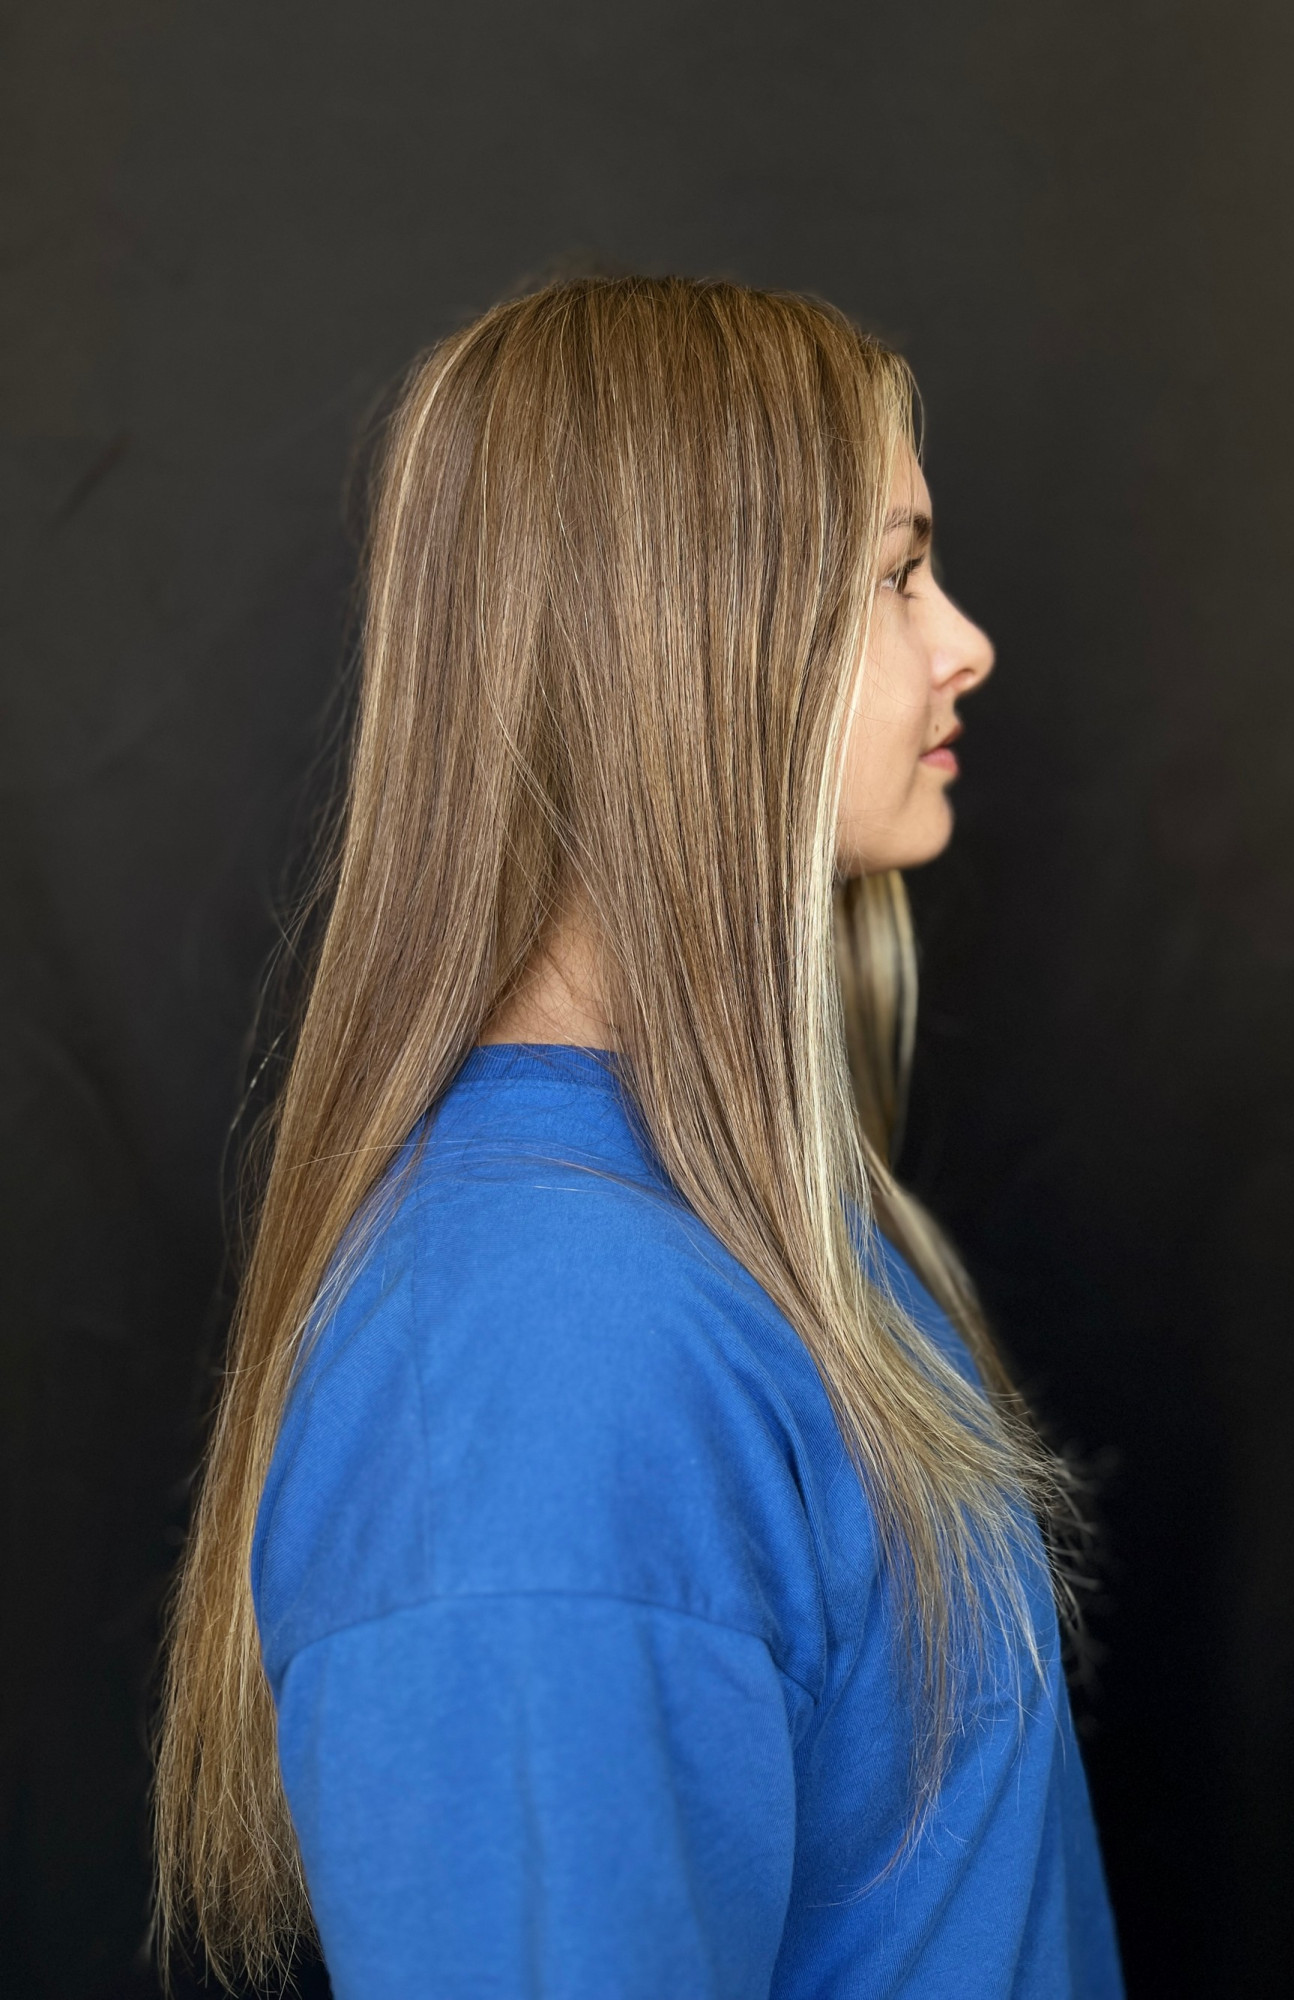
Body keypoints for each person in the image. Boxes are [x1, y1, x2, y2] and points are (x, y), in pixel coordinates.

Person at [153, 273, 1124, 1997]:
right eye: (896, 574)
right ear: (678, 638)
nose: (962, 640)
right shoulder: (535, 1365)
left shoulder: (704, 1224)